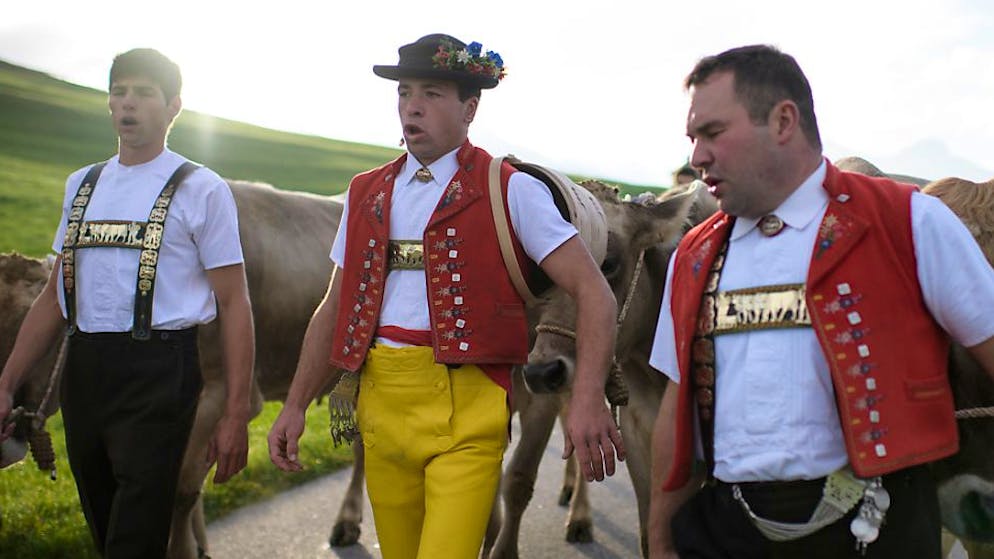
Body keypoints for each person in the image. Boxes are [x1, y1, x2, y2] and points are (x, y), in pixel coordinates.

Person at [267, 33, 622, 559]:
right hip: (381, 408)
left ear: (470, 108)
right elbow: (335, 305)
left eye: (431, 93)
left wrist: (588, 398)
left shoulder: (511, 189)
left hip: (469, 409)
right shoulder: (366, 191)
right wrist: (295, 405)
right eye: (405, 92)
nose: (412, 105)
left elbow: (596, 294)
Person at [646, 44, 994, 559]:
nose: (697, 156)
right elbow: (677, 414)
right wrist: (659, 541)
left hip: (879, 533)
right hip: (727, 532)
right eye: (694, 138)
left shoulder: (912, 223)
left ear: (784, 121)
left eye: (714, 132)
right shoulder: (694, 256)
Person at [0, 48, 254, 558]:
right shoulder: (83, 185)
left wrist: (234, 413)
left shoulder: (201, 188)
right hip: (86, 370)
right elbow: (55, 297)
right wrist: (5, 383)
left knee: (134, 538)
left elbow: (235, 301)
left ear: (173, 107)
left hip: (161, 371)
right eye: (119, 93)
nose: (128, 105)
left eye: (144, 93)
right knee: (105, 523)